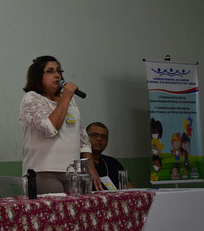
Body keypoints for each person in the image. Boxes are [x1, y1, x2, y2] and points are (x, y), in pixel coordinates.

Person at [20, 55, 102, 194]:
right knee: (56, 214)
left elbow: (82, 138)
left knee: (77, 214)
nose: (57, 75)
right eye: (50, 71)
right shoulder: (32, 98)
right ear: (38, 75)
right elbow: (49, 129)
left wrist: (91, 168)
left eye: (59, 71)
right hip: (43, 172)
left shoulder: (70, 101)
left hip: (73, 172)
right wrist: (65, 97)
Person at [86, 122, 135, 190]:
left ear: (107, 141)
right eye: (94, 135)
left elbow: (130, 189)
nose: (99, 139)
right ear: (85, 138)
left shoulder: (112, 163)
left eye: (103, 136)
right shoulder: (78, 163)